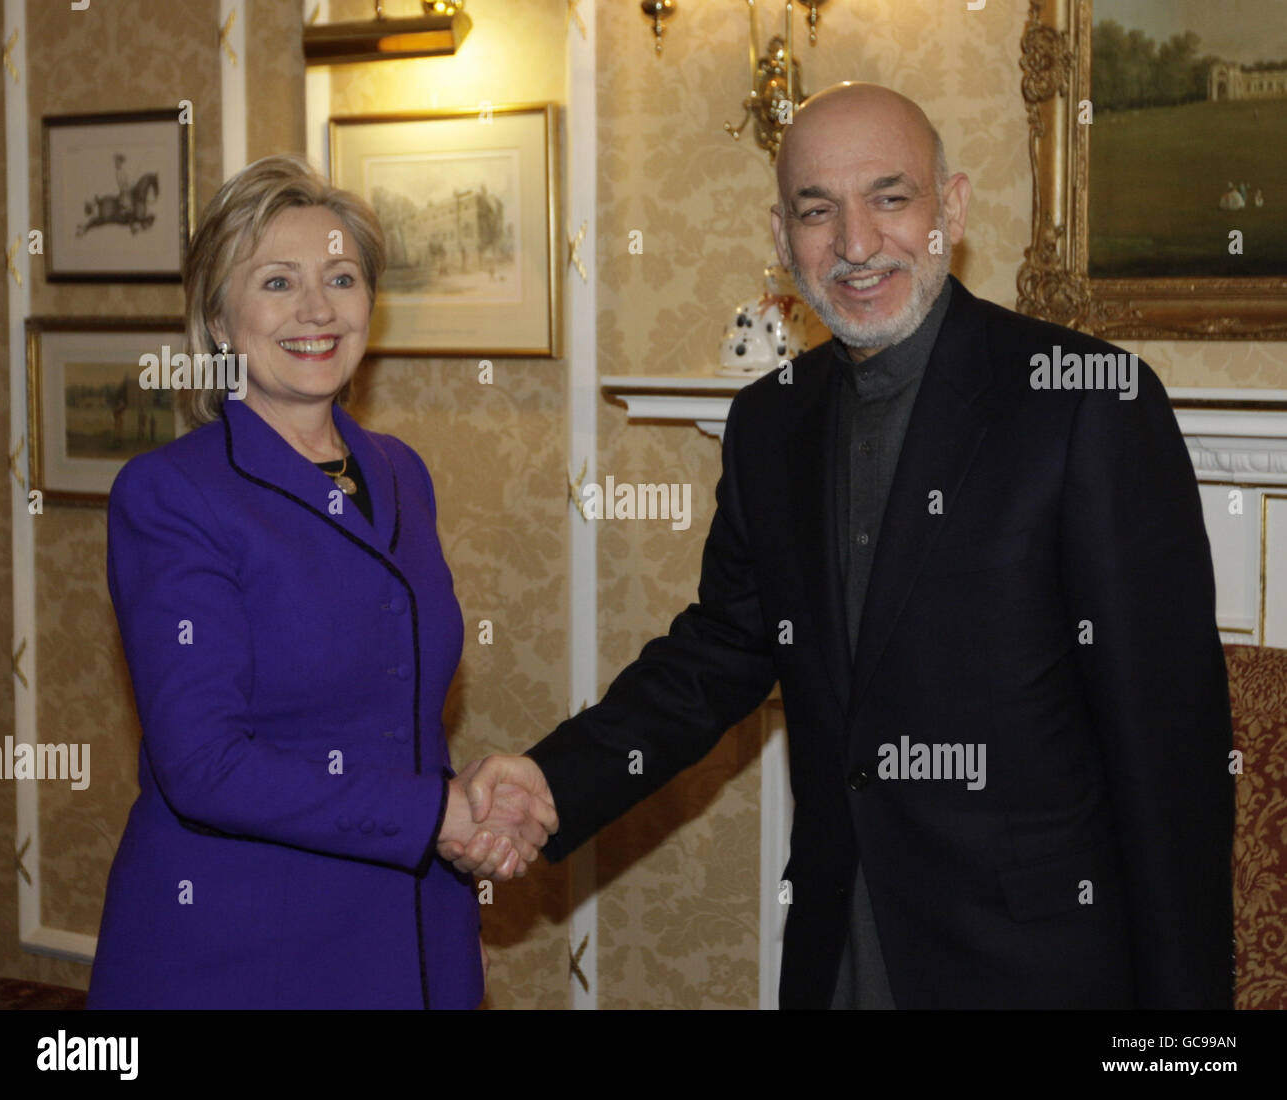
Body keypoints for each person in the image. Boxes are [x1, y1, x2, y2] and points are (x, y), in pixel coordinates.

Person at [446, 83, 1235, 1010]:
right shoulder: (768, 420)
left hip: (1035, 968)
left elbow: (1170, 756)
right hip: (836, 953)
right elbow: (718, 653)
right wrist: (550, 780)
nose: (855, 245)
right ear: (782, 239)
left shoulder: (1087, 400)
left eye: (890, 198)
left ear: (954, 208)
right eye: (817, 211)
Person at [88, 154, 556, 1009]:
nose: (316, 309)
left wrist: (449, 906)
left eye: (341, 277)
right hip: (240, 946)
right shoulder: (171, 494)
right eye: (277, 282)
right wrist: (437, 816)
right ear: (220, 322)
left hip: (408, 927)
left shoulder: (400, 470)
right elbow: (206, 766)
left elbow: (397, 710)